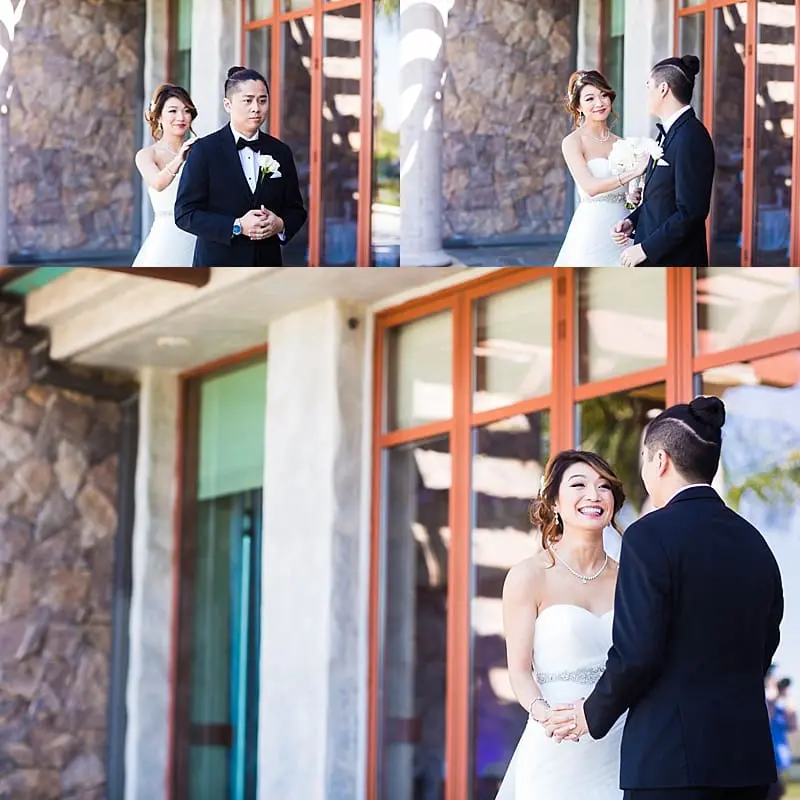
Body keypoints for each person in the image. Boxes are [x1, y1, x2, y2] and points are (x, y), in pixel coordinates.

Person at [546, 396, 784, 800]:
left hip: (670, 765)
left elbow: (637, 652)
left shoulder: (649, 535)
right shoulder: (754, 540)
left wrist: (591, 714)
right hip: (747, 764)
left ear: (660, 461)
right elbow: (766, 642)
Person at [496, 449, 627, 798]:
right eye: (579, 485)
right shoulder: (528, 576)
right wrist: (544, 715)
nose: (594, 496)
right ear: (554, 500)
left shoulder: (631, 578)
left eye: (604, 487)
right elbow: (520, 671)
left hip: (617, 743)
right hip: (554, 741)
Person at [174, 66, 307, 267]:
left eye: (262, 100)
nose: (256, 108)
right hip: (217, 265)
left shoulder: (281, 151)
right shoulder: (204, 150)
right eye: (248, 100)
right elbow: (185, 214)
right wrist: (236, 226)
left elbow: (296, 209)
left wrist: (279, 224)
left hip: (267, 265)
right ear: (228, 104)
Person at [614, 55, 715, 268]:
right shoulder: (665, 134)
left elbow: (691, 212)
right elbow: (661, 198)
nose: (646, 92)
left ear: (663, 89)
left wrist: (645, 249)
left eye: (648, 85)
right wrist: (633, 220)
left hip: (676, 260)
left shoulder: (692, 137)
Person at [554, 70, 648, 267]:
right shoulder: (572, 142)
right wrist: (634, 172)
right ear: (578, 106)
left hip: (622, 229)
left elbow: (630, 197)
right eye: (590, 98)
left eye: (603, 95)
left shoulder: (623, 144)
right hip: (592, 228)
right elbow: (590, 187)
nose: (600, 103)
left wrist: (633, 198)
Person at [132, 84, 198, 267]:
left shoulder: (200, 150)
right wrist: (180, 158)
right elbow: (158, 183)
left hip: (200, 232)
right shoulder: (147, 155)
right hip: (168, 237)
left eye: (186, 111)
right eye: (173, 111)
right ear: (159, 116)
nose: (181, 117)